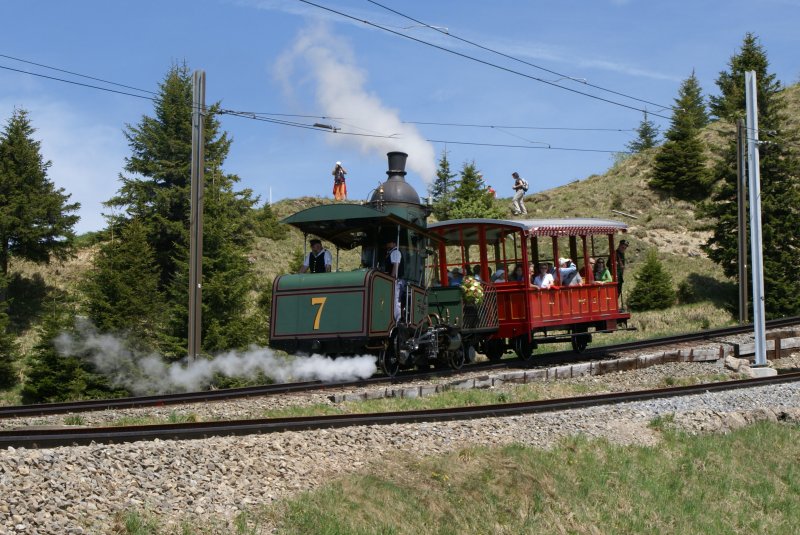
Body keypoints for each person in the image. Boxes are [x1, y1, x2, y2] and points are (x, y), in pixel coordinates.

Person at [384, 239, 404, 321]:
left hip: (396, 281)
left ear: (393, 243)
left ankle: (397, 319)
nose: (387, 244)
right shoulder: (391, 252)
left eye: (389, 243)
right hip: (395, 280)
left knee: (395, 300)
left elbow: (396, 266)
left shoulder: (395, 252)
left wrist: (391, 278)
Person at [616, 239, 629, 309]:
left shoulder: (622, 254)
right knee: (615, 292)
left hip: (620, 276)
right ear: (619, 245)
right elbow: (609, 264)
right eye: (623, 247)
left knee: (618, 291)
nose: (624, 249)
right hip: (615, 276)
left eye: (625, 248)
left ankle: (615, 305)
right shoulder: (615, 253)